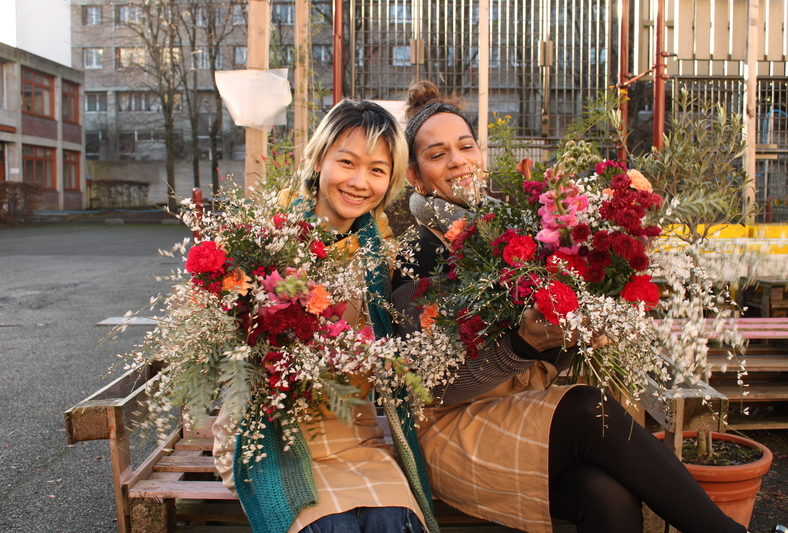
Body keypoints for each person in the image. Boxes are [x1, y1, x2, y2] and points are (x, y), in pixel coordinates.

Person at [391, 80, 750, 533]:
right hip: (450, 432)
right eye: (437, 154)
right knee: (587, 408)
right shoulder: (417, 254)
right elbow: (431, 388)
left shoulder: (510, 222)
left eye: (465, 146)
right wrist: (521, 344)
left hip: (520, 414)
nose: (458, 160)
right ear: (414, 175)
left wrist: (580, 329)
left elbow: (542, 341)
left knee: (609, 496)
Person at [212, 98, 436, 533]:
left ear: (390, 181)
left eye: (376, 169)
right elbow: (230, 357)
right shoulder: (266, 242)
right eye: (347, 162)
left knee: (396, 523)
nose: (358, 181)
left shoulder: (384, 258)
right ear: (318, 161)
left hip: (355, 435)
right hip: (272, 434)